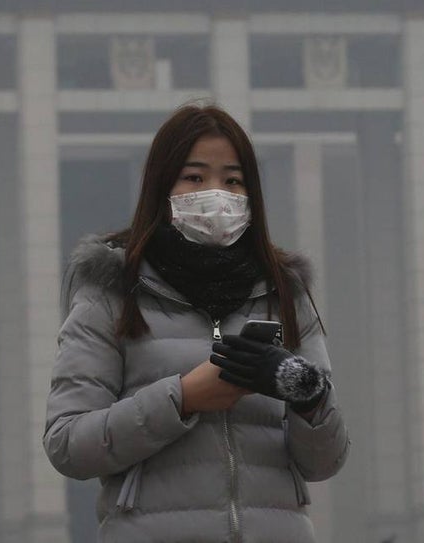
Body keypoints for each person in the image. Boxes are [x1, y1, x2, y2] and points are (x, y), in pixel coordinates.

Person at [44, 103, 349, 542]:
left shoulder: (285, 294)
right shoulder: (112, 292)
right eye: (194, 177)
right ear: (161, 186)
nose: (216, 194)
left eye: (232, 180)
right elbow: (68, 444)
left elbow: (326, 462)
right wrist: (183, 398)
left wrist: (306, 393)